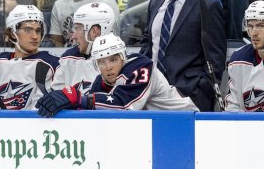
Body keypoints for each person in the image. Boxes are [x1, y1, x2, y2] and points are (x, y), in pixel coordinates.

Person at [139, 0, 226, 112]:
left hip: (187, 96)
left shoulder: (207, 6)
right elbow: (148, 44)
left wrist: (201, 90)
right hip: (152, 92)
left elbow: (216, 56)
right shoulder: (156, 3)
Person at [36, 33, 198, 117]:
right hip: (159, 125)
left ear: (123, 57)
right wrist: (68, 104)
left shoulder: (142, 66)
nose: (108, 67)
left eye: (113, 60)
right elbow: (96, 112)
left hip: (187, 120)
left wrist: (80, 98)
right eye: (102, 62)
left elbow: (124, 106)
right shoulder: (101, 80)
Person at [0, 5, 59, 110]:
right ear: (12, 33)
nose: (35, 36)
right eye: (28, 30)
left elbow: (39, 110)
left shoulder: (51, 63)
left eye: (38, 30)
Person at [51, 2, 115, 95]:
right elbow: (55, 97)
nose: (73, 36)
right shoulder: (68, 59)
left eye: (77, 29)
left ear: (94, 32)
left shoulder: (123, 62)